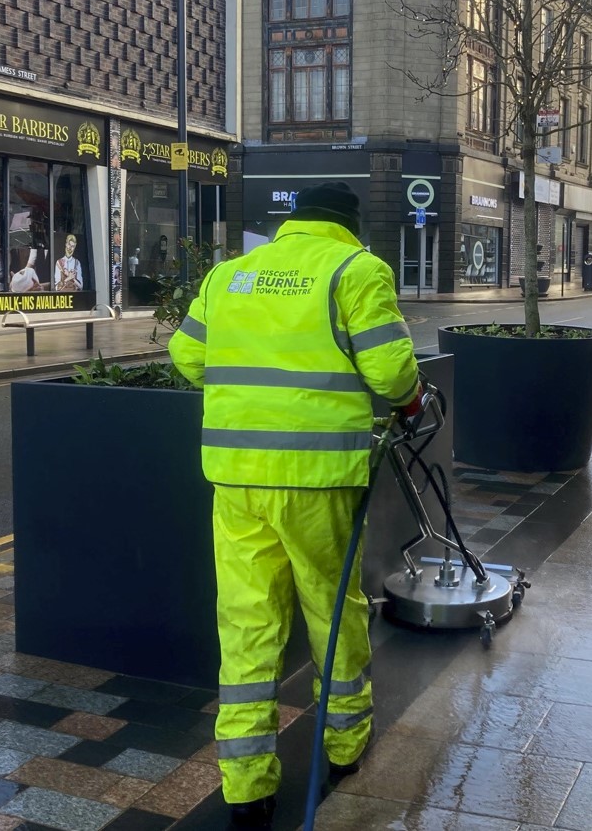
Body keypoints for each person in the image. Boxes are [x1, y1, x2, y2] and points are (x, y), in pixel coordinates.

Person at [169, 181, 422, 829]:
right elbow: (392, 375)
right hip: (317, 480)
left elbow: (186, 357)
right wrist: (410, 400)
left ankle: (246, 787)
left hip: (236, 481)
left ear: (293, 219)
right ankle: (342, 748)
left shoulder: (230, 274)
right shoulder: (355, 270)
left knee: (247, 626)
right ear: (348, 225)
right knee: (332, 613)